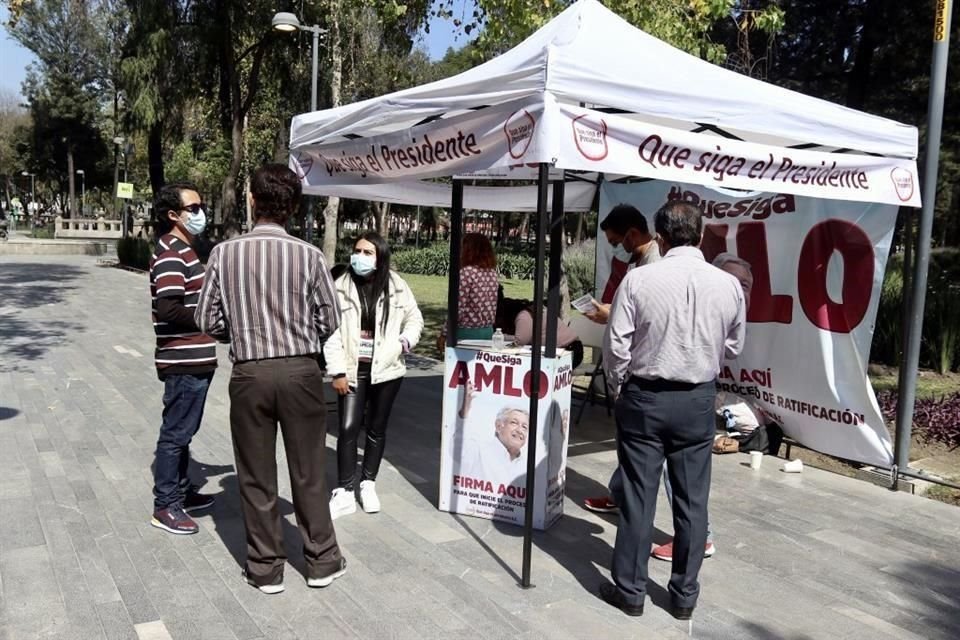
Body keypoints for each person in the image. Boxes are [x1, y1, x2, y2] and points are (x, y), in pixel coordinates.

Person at [196, 164, 345, 595]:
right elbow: (330, 318)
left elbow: (206, 318)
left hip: (251, 373)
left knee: (255, 473)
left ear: (252, 200)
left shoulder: (223, 254)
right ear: (293, 206)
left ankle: (265, 568)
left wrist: (240, 331)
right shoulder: (310, 255)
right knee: (310, 470)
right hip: (301, 371)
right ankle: (321, 561)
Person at [599, 200, 745, 620]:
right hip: (697, 398)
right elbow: (734, 346)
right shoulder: (728, 285)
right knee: (692, 502)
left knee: (638, 497)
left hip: (646, 396)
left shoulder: (638, 280)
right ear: (698, 236)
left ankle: (630, 591)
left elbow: (616, 346)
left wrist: (619, 387)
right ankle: (684, 597)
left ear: (660, 238)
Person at [325, 232, 424, 519]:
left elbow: (414, 318)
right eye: (357, 251)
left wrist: (404, 342)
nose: (360, 257)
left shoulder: (396, 285)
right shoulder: (340, 285)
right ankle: (344, 490)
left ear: (380, 257)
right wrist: (337, 371)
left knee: (376, 428)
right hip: (352, 369)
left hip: (387, 369)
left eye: (368, 252)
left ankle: (368, 483)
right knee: (347, 427)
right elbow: (331, 332)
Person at [147, 182, 218, 535]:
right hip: (183, 360)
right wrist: (210, 319)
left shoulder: (185, 250)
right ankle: (165, 505)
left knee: (184, 431)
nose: (201, 213)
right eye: (194, 208)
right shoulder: (172, 253)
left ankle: (181, 491)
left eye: (201, 206)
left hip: (194, 358)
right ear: (173, 215)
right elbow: (168, 308)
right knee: (175, 433)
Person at [587, 204, 659, 324]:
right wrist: (614, 308)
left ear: (633, 234)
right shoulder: (642, 260)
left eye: (615, 243)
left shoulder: (654, 263)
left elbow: (651, 315)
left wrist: (611, 316)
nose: (615, 250)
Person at [437, 233, 499, 349]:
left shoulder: (466, 273)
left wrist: (444, 333)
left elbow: (457, 308)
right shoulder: (492, 273)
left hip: (467, 333)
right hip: (487, 331)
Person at [513, 302, 584, 370]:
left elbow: (521, 341)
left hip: (565, 352)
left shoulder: (523, 316)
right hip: (574, 348)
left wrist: (507, 337)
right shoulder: (539, 309)